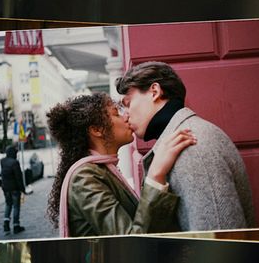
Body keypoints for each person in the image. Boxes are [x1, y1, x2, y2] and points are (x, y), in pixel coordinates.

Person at [116, 61, 255, 231]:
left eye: (128, 103)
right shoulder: (183, 139)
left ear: (154, 92)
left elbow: (218, 232)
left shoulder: (191, 147)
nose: (126, 115)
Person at [46, 93, 196, 237]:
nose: (126, 116)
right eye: (116, 113)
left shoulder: (100, 170)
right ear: (97, 130)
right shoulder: (84, 177)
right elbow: (131, 243)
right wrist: (156, 175)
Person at [0, 145, 26, 234]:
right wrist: (23, 189)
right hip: (14, 189)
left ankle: (6, 226)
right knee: (16, 206)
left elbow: (4, 174)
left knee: (8, 205)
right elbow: (18, 178)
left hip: (5, 188)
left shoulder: (3, 161)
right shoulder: (15, 163)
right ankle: (16, 226)